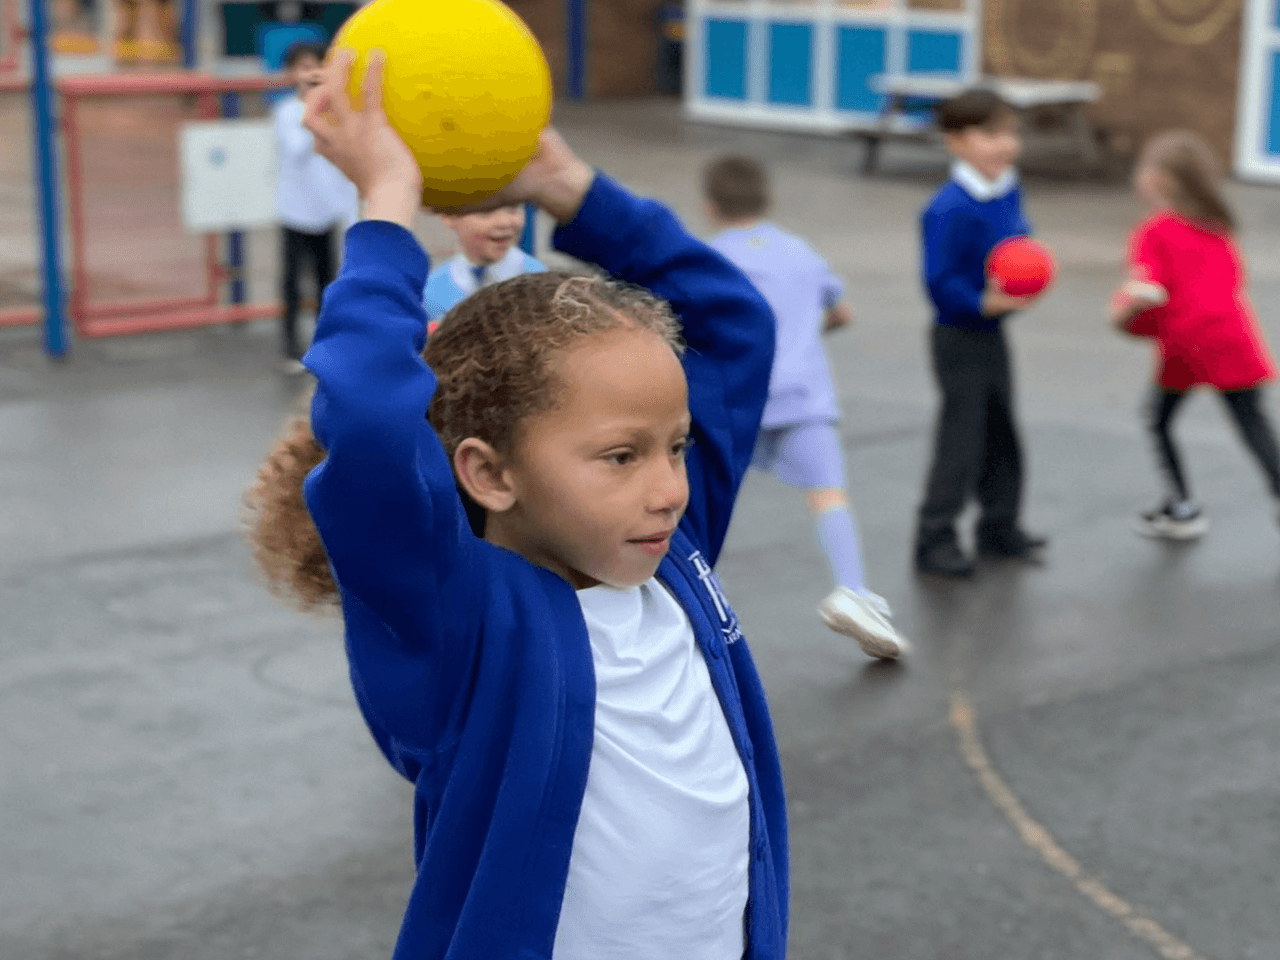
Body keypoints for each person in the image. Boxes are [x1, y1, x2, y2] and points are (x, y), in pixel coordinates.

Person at [244, 52, 788, 960]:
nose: (668, 487)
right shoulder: (459, 618)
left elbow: (732, 322)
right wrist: (385, 199)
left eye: (677, 447)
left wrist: (567, 187)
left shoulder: (674, 557)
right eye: (619, 456)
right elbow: (374, 418)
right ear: (489, 475)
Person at [703, 154, 907, 660]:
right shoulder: (799, 252)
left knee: (710, 500)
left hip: (738, 399)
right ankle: (851, 591)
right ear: (766, 200)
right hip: (801, 394)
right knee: (828, 495)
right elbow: (840, 311)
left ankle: (700, 600)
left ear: (710, 206)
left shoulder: (709, 258)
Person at [1109, 130, 1280, 540]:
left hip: (1188, 343)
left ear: (1161, 180)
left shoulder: (1155, 230)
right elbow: (1233, 282)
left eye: (1146, 168)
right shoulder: (1218, 226)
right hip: (1234, 338)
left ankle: (1182, 509)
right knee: (1253, 424)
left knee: (1159, 420)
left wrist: (1124, 316)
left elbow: (1148, 293)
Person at [914, 88, 1048, 577]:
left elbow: (1018, 238)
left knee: (1001, 433)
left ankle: (999, 527)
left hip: (992, 334)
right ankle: (934, 539)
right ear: (955, 142)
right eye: (991, 134)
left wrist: (1028, 271)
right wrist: (980, 301)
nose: (1006, 143)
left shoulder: (1008, 188)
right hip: (958, 336)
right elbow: (939, 281)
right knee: (961, 441)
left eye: (1011, 132)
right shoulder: (948, 207)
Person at [273, 39, 359, 372]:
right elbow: (296, 149)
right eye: (302, 67)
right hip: (294, 213)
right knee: (292, 282)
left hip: (327, 211)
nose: (309, 74)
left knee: (327, 281)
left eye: (315, 67)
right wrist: (316, 111)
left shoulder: (333, 111)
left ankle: (326, 345)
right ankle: (290, 346)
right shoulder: (286, 112)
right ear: (292, 73)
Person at [423, 204, 545, 324]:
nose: (504, 222)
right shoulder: (432, 291)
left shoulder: (540, 282)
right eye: (485, 211)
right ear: (449, 216)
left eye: (512, 209)